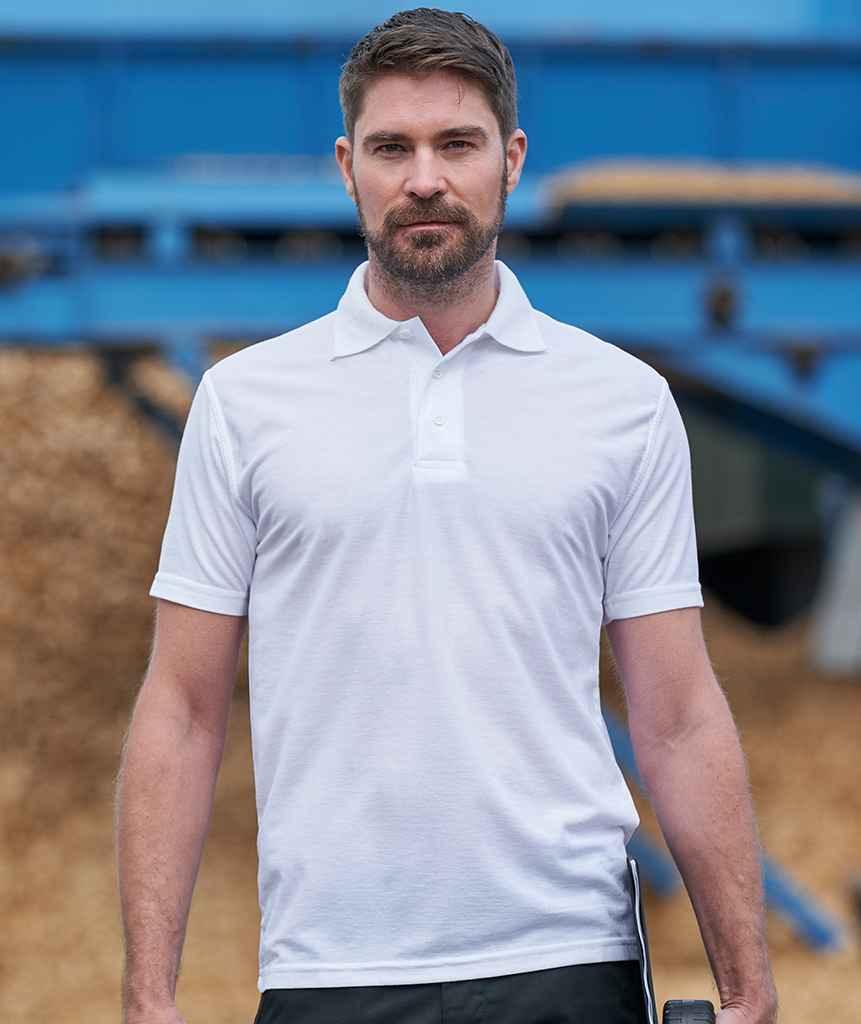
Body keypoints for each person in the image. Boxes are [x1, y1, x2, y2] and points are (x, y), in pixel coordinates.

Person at [114, 8, 778, 1024]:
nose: (424, 178)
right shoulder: (245, 403)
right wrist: (147, 995)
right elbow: (182, 707)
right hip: (328, 968)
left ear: (512, 160)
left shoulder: (622, 402)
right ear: (348, 168)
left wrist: (746, 981)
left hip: (569, 959)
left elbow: (678, 714)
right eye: (393, 148)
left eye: (456, 144)